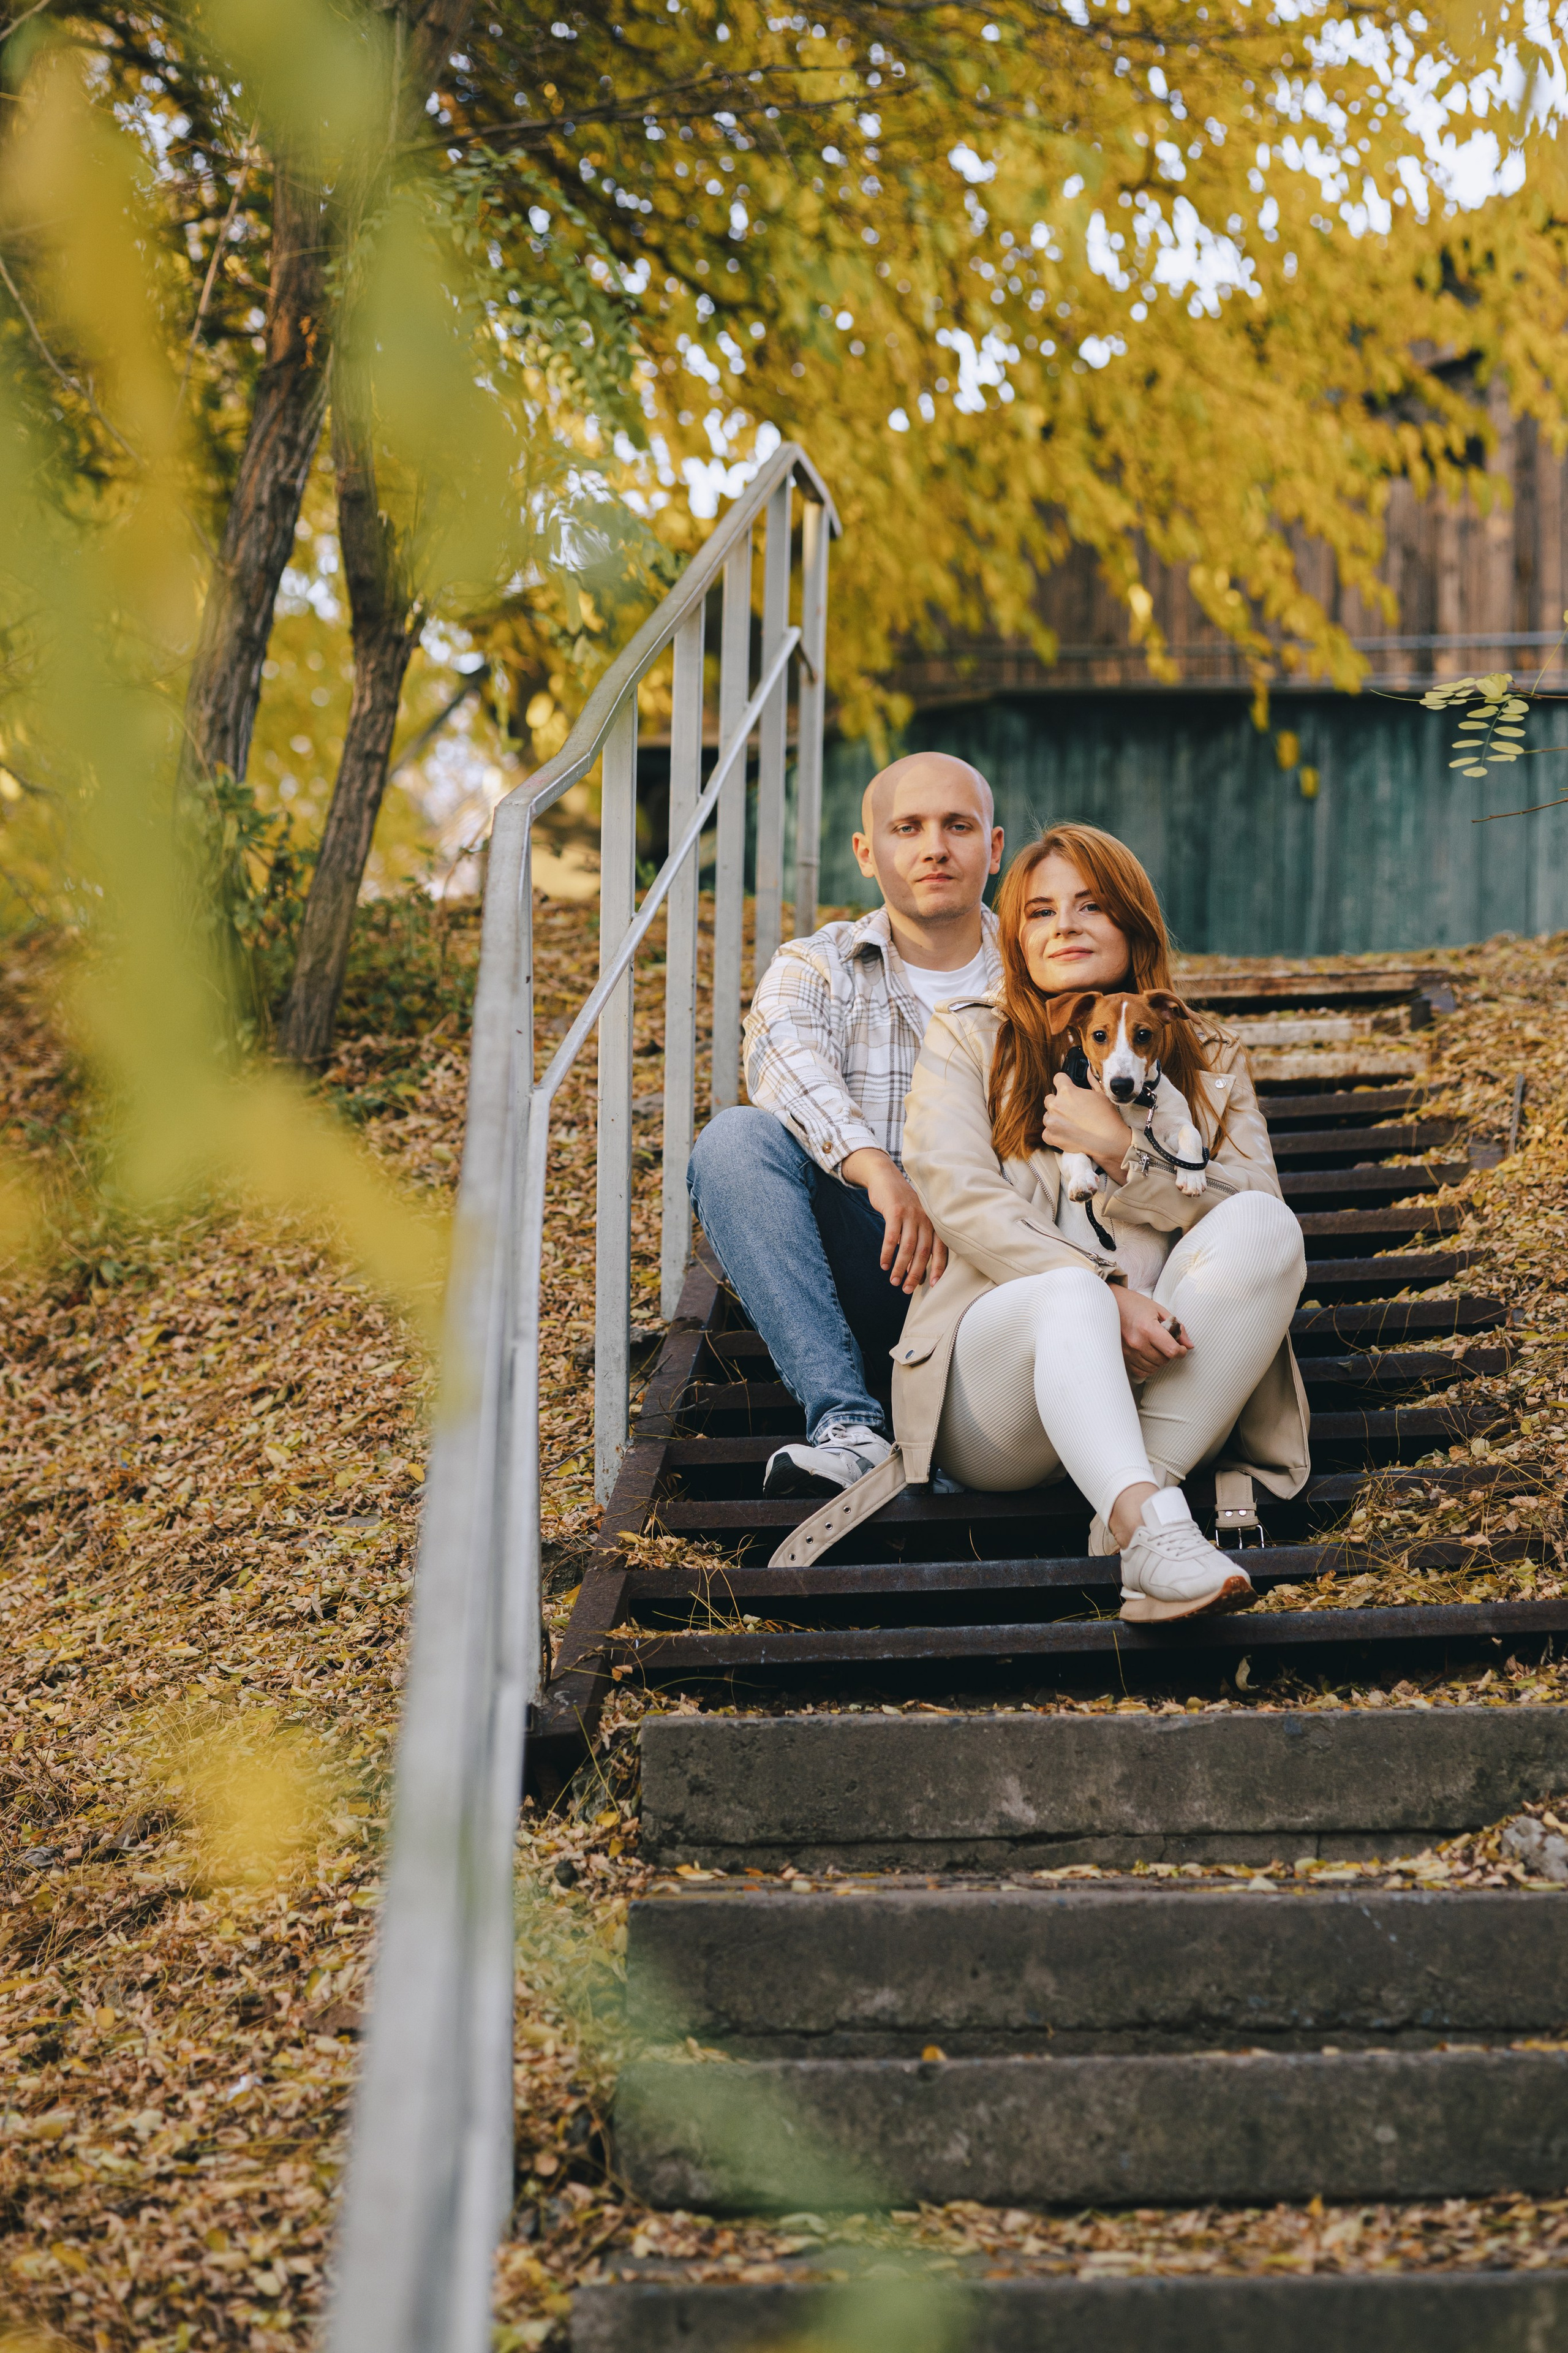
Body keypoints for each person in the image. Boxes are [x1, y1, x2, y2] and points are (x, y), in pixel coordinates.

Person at [843, 821, 1310, 1622]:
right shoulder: (967, 1038)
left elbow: (1247, 1209)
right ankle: (1156, 1527)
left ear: (1132, 921)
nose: (1065, 924)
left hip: (1167, 1385)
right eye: (1039, 911)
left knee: (1268, 1224)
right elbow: (958, 1198)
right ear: (1015, 936)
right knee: (1070, 1296)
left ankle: (1140, 1518)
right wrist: (1106, 1288)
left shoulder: (1212, 1055)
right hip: (999, 1399)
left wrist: (1127, 1153)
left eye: (1091, 904)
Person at [687, 751, 1003, 1497]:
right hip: (876, 1260)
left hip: (999, 1282)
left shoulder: (1036, 967)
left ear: (992, 848)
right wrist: (879, 1172)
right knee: (734, 1141)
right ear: (868, 852)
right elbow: (784, 1063)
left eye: (958, 826)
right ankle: (849, 1426)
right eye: (908, 827)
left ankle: (983, 1433)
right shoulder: (820, 964)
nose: (934, 847)